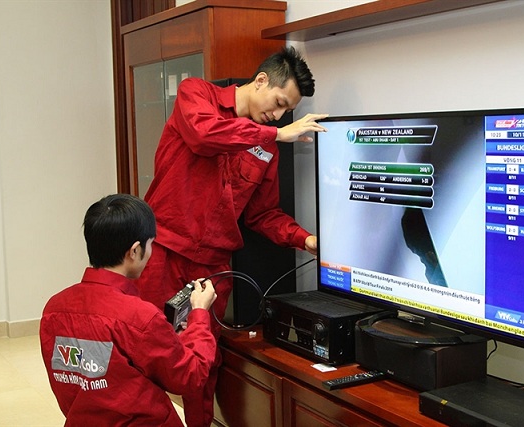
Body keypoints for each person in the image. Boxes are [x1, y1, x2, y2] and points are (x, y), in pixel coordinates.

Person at [135, 46, 327, 426]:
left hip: (211, 269)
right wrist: (275, 132)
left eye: (286, 112)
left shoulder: (267, 146)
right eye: (278, 103)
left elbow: (262, 214)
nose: (278, 115)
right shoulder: (196, 94)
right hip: (164, 253)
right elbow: (204, 135)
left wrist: (305, 239)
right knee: (145, 353)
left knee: (204, 363)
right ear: (261, 80)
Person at [39, 194, 218, 426]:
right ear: (134, 251)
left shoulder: (54, 309)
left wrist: (171, 339)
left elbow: (109, 372)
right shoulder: (140, 317)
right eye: (151, 244)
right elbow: (189, 376)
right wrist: (200, 314)